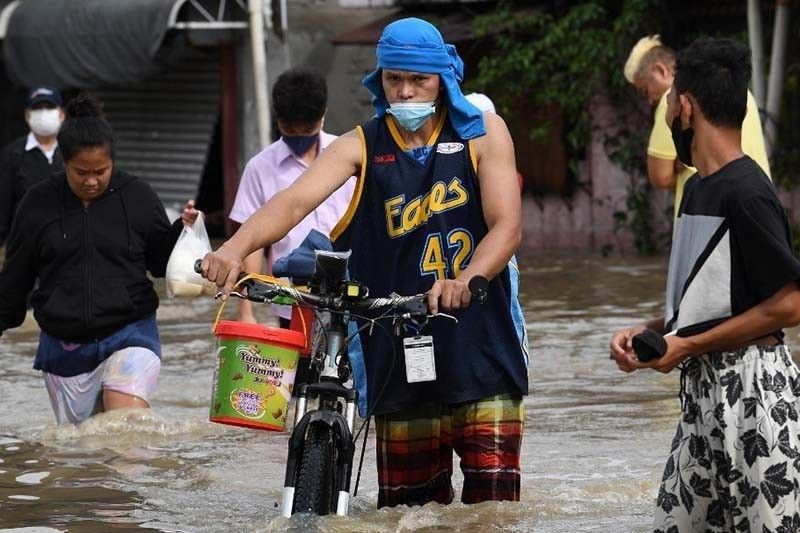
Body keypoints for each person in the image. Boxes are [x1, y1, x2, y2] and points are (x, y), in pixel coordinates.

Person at [200, 18, 528, 508]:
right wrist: (231, 249)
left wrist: (466, 279)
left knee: (494, 510)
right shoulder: (360, 144)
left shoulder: (485, 134)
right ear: (381, 79)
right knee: (409, 512)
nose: (406, 91)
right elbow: (291, 203)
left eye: (418, 80)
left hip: (481, 340)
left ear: (442, 78)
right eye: (394, 78)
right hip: (395, 345)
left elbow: (507, 226)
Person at [610, 38, 800, 531]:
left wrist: (685, 343)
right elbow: (708, 297)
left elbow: (790, 303)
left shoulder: (748, 191)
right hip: (702, 392)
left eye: (670, 102)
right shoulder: (696, 189)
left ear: (686, 107)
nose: (668, 111)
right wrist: (651, 331)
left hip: (755, 396)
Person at [0, 93, 197, 425]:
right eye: (81, 172)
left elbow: (160, 263)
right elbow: (15, 280)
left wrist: (183, 230)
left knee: (124, 424)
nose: (91, 181)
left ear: (112, 162)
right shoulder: (37, 204)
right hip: (64, 351)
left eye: (100, 171)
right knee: (81, 457)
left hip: (130, 332)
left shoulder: (137, 196)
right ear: (64, 163)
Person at [229, 68, 354, 328]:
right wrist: (245, 310)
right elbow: (253, 243)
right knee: (299, 367)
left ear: (324, 115)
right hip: (292, 299)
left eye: (307, 129)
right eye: (289, 129)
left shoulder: (349, 156)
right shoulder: (259, 168)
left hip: (351, 292)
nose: (299, 137)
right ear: (278, 121)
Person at [624, 35, 771, 218]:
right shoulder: (740, 91)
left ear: (661, 70)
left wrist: (683, 162)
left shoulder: (674, 99)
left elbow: (660, 176)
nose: (650, 101)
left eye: (645, 90)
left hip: (706, 214)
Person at [0, 86, 66, 246]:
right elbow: (2, 208)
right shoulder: (12, 154)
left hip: (66, 248)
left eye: (49, 107)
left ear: (62, 114)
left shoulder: (73, 152)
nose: (44, 113)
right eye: (37, 108)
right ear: (27, 115)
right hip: (25, 248)